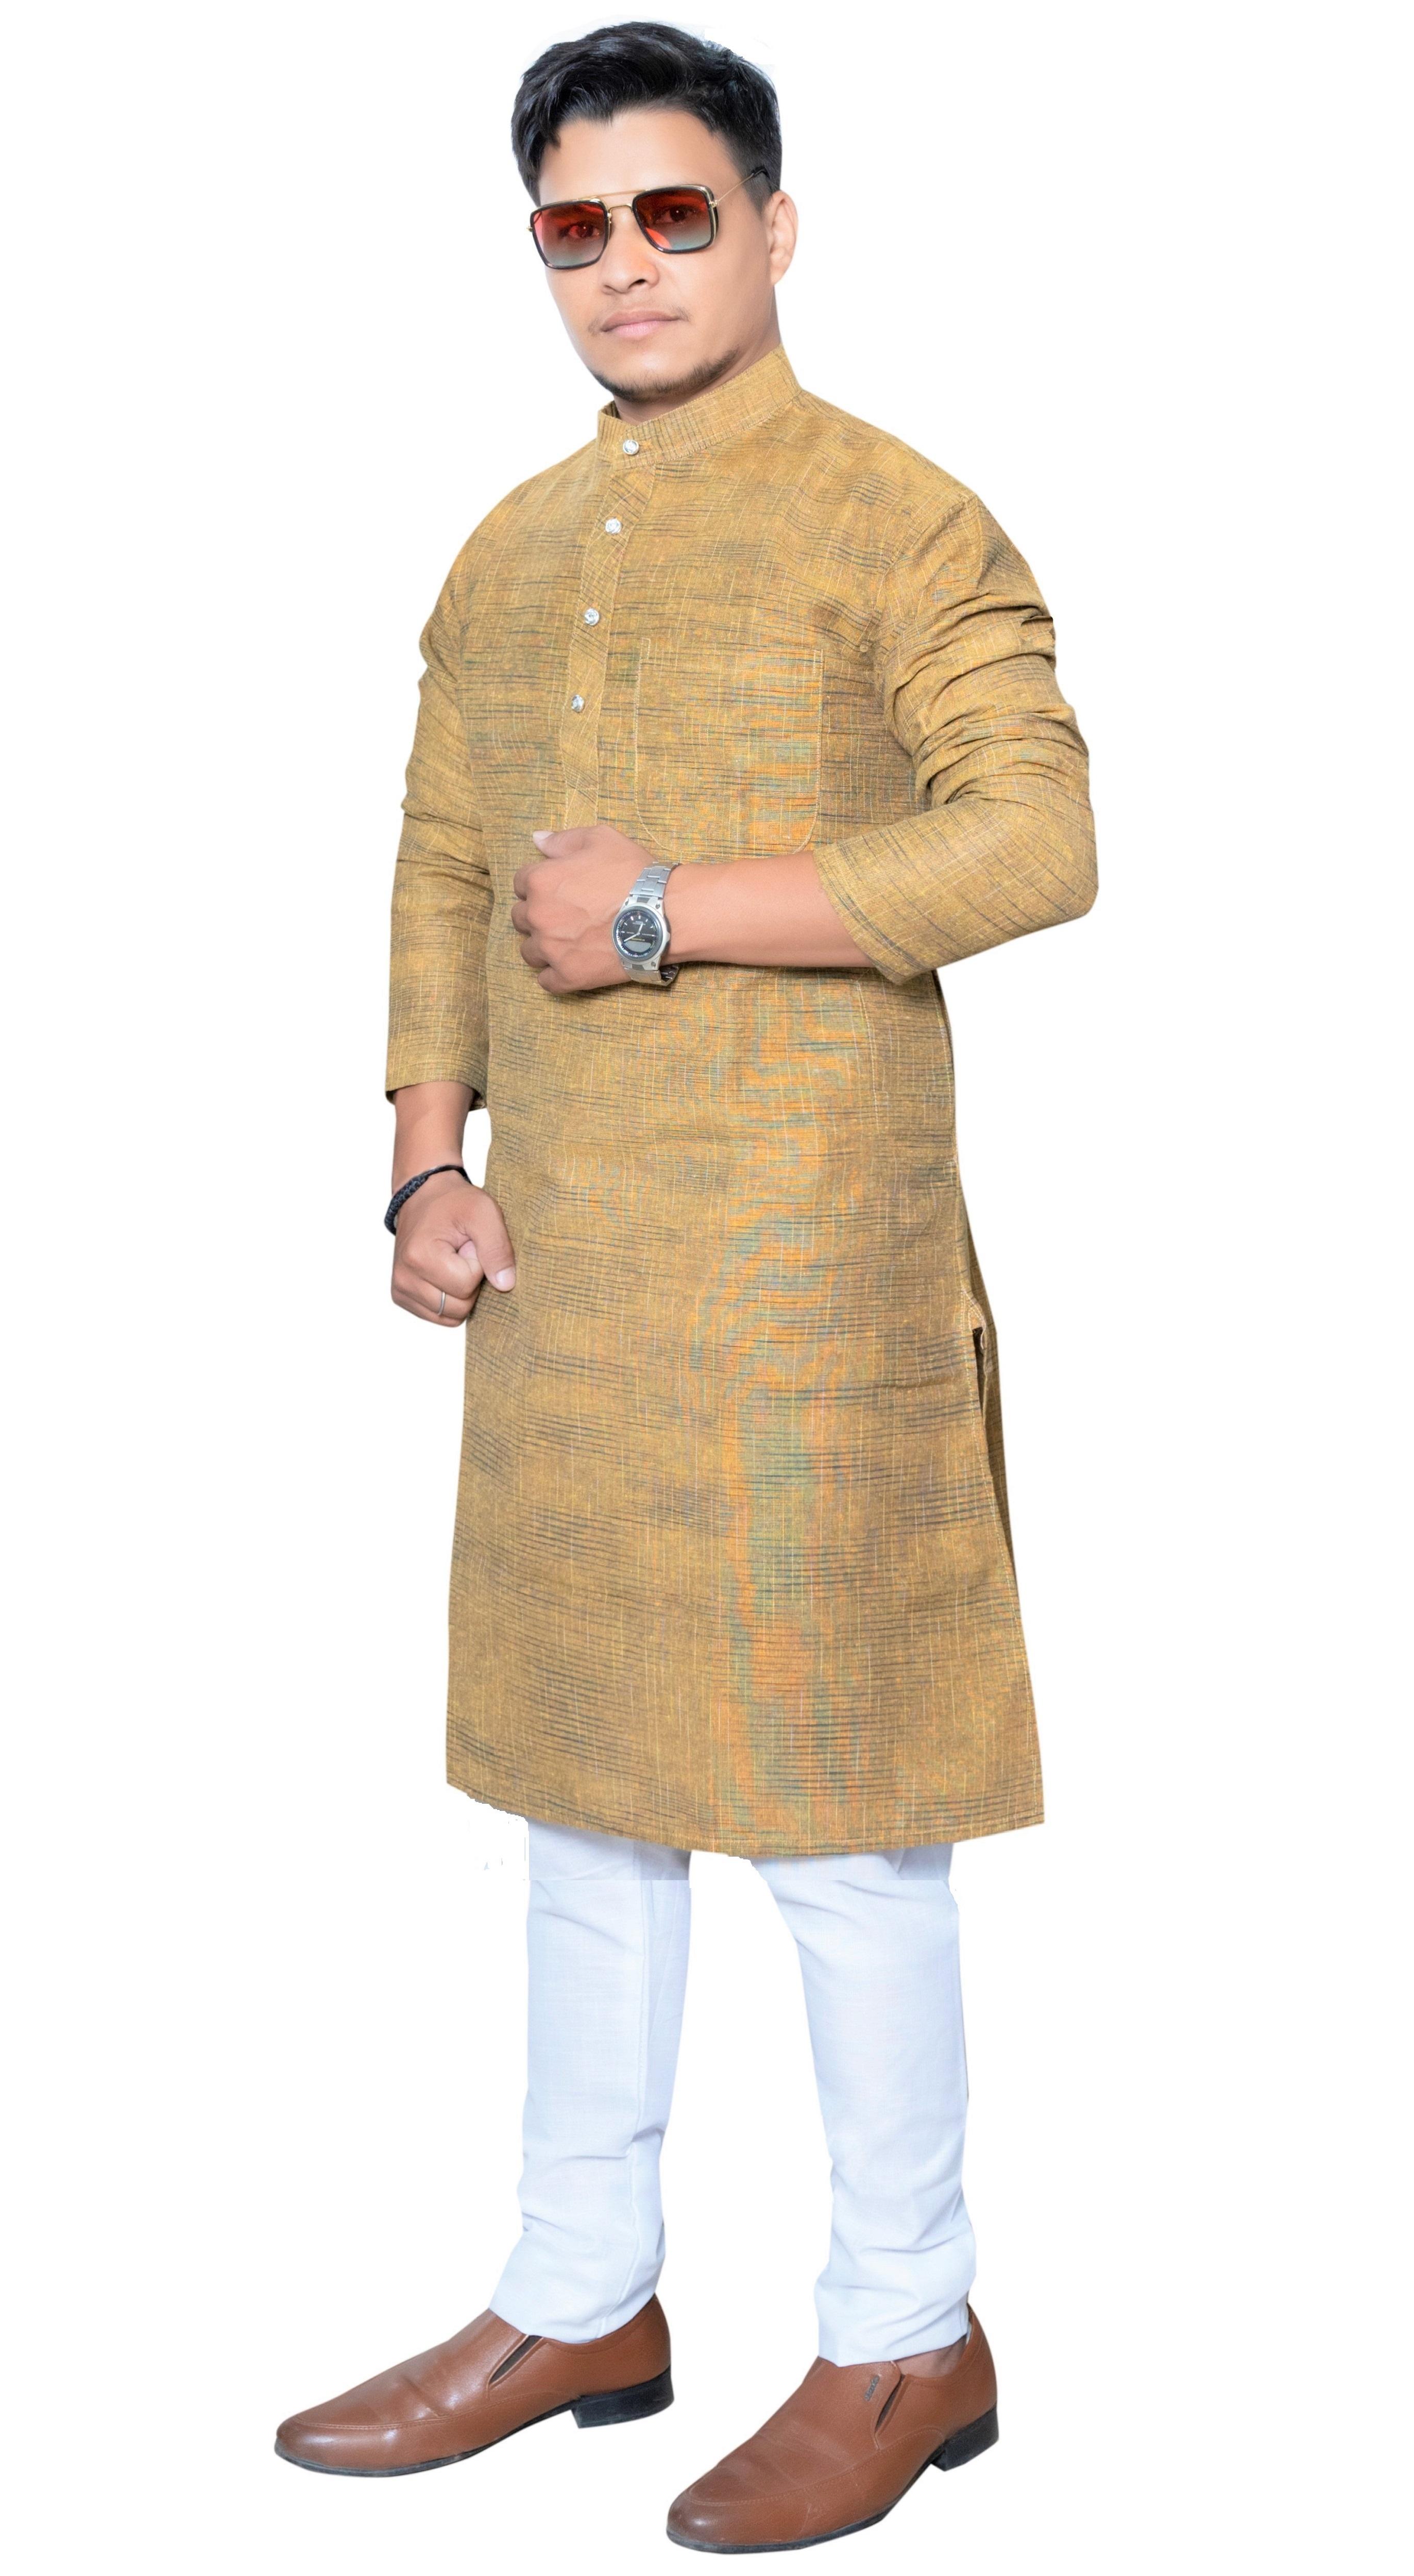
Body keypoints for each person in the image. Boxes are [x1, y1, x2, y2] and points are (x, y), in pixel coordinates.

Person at [275, 19, 1096, 2551]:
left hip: (811, 1275)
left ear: (771, 226)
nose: (624, 265)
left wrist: (667, 912)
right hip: (573, 1282)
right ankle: (581, 2291)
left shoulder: (899, 517)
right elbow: (441, 860)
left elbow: (1039, 837)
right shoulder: (510, 546)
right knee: (584, 1801)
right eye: (574, 225)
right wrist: (425, 1165)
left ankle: (908, 2326)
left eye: (673, 214)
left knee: (843, 1815)